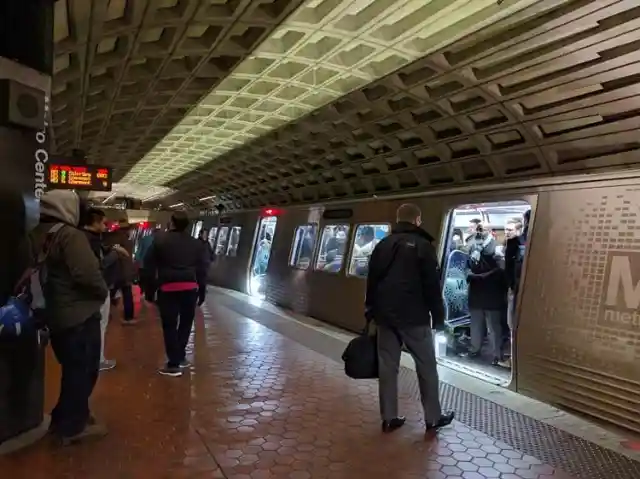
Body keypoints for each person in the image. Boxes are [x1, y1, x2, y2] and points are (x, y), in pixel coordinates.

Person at [365, 203, 455, 434]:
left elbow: (372, 281)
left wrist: (371, 310)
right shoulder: (423, 247)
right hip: (415, 319)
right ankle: (433, 418)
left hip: (385, 317)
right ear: (417, 220)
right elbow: (431, 287)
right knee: (426, 367)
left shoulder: (382, 245)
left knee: (388, 368)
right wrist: (439, 318)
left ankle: (389, 418)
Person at [30, 190, 109, 445]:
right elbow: (87, 274)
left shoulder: (39, 233)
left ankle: (63, 417)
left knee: (72, 369)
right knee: (83, 371)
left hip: (56, 314)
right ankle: (73, 428)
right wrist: (102, 292)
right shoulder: (69, 235)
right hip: (79, 315)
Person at [144, 211, 207, 377]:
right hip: (190, 288)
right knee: (186, 324)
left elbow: (148, 266)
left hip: (168, 288)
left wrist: (149, 291)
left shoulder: (159, 241)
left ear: (171, 223)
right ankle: (180, 355)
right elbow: (202, 269)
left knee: (169, 325)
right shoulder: (196, 244)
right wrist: (202, 290)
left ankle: (173, 363)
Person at [82, 208, 129, 371]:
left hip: (92, 289)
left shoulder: (86, 238)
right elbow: (98, 265)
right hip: (98, 288)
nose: (105, 225)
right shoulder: (90, 241)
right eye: (103, 222)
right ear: (94, 222)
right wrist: (115, 253)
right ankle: (98, 360)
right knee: (100, 325)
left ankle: (92, 358)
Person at [465, 220, 508, 365]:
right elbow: (467, 265)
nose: (479, 231)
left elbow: (501, 270)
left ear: (490, 231)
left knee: (494, 327)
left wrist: (482, 276)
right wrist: (470, 274)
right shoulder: (472, 247)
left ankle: (496, 355)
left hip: (491, 293)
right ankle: (474, 350)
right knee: (476, 325)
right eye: (478, 229)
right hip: (476, 292)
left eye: (482, 229)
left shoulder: (496, 247)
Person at [107, 221, 136, 324]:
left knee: (109, 294)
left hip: (115, 271)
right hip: (126, 272)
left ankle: (107, 315)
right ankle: (129, 317)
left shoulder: (111, 237)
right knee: (127, 295)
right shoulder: (129, 241)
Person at [135, 228, 158, 304]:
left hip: (142, 264)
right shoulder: (159, 241)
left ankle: (142, 292)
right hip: (153, 266)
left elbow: (139, 251)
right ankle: (149, 297)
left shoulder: (144, 239)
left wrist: (137, 260)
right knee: (151, 281)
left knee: (143, 280)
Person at [197, 227, 214, 306]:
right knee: (198, 283)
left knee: (202, 284)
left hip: (205, 267)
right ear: (200, 234)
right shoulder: (196, 243)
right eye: (204, 234)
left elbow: (211, 253)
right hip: (197, 267)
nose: (205, 236)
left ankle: (201, 299)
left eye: (206, 234)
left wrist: (211, 260)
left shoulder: (207, 244)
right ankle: (198, 297)